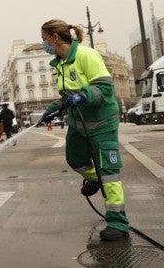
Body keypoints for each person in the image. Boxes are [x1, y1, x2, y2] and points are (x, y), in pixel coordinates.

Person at [39, 19, 129, 241]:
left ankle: (118, 222)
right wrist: (53, 108)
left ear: (55, 38)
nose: (44, 45)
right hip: (78, 122)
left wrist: (84, 95)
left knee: (108, 171)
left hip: (101, 122)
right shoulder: (59, 63)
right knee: (75, 158)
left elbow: (105, 88)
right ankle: (94, 178)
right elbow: (67, 95)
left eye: (44, 40)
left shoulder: (86, 55)